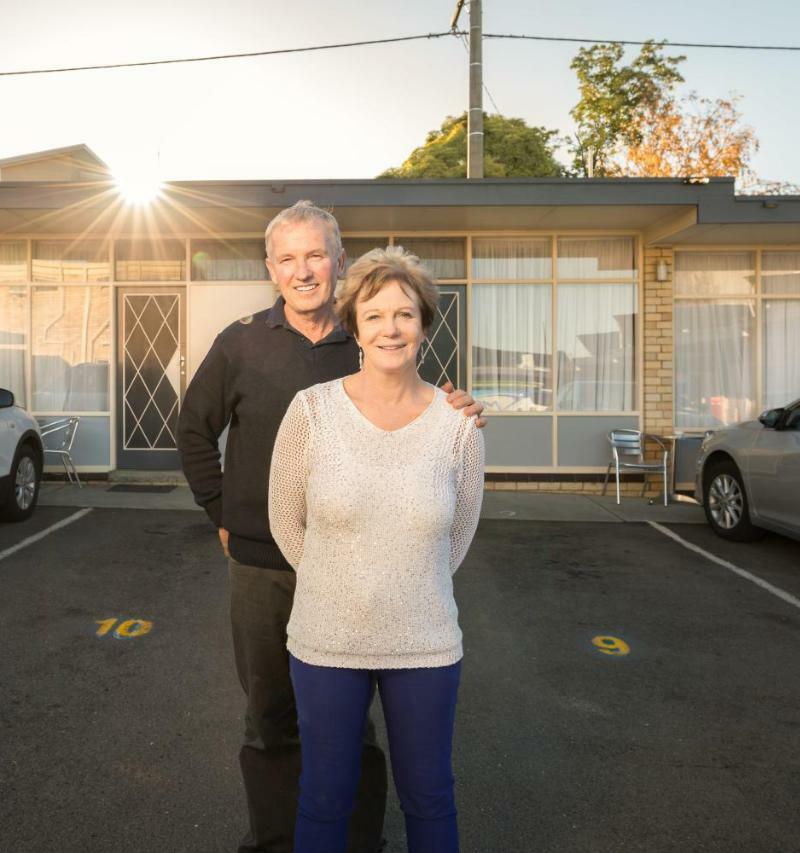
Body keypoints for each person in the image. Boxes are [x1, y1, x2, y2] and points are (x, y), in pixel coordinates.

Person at [176, 201, 484, 853]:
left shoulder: (365, 329)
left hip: (369, 570)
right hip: (264, 563)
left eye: (315, 254)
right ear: (271, 269)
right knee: (269, 718)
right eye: (287, 258)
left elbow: (446, 502)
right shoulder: (240, 340)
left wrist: (456, 409)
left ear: (339, 261)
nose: (303, 269)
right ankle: (273, 841)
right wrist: (223, 514)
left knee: (356, 735)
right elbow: (193, 430)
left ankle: (357, 841)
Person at [267, 247, 484, 853]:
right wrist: (340, 585)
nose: (391, 328)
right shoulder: (311, 412)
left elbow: (458, 532)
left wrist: (407, 583)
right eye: (375, 315)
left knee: (430, 797)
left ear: (423, 326)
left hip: (425, 642)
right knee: (325, 798)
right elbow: (286, 521)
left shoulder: (458, 423)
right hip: (327, 641)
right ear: (354, 327)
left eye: (405, 315)